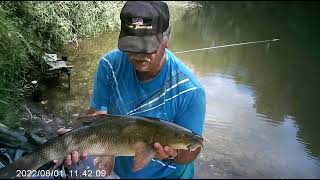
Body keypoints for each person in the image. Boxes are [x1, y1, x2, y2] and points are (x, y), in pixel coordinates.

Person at [57, 1, 206, 179]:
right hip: (122, 173)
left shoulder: (191, 91)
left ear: (166, 38)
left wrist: (173, 153)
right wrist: (77, 137)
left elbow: (192, 152)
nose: (138, 54)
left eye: (147, 46)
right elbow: (98, 115)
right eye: (132, 45)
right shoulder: (109, 65)